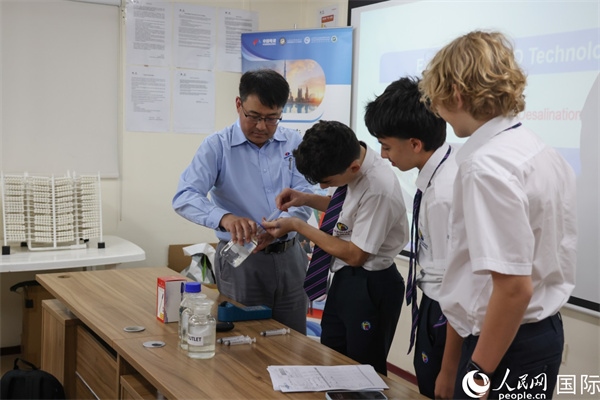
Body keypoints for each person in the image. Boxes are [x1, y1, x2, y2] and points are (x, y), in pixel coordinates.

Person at [419, 30, 577, 399]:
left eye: (436, 99)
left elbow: (513, 289)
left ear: (456, 93)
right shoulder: (541, 150)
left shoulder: (486, 166)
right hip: (539, 335)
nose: (436, 110)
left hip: (502, 346)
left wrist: (477, 374)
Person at [172, 69, 314, 334]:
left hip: (291, 257)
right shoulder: (217, 146)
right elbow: (185, 196)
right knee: (244, 340)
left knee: (294, 341)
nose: (261, 126)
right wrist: (224, 218)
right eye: (254, 116)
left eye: (272, 118)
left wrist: (285, 222)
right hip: (241, 260)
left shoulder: (294, 142)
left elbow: (307, 191)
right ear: (239, 104)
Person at [262, 120, 409, 375]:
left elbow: (355, 255)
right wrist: (305, 198)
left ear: (352, 168)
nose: (323, 187)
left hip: (371, 284)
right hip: (344, 279)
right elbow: (347, 209)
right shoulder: (353, 160)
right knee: (332, 357)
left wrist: (298, 225)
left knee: (363, 370)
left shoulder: (378, 187)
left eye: (327, 181)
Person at [364, 76, 458, 398]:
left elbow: (455, 287)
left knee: (436, 388)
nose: (383, 155)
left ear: (415, 144)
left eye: (387, 146)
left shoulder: (442, 195)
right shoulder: (442, 167)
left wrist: (449, 368)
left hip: (446, 313)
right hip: (435, 304)